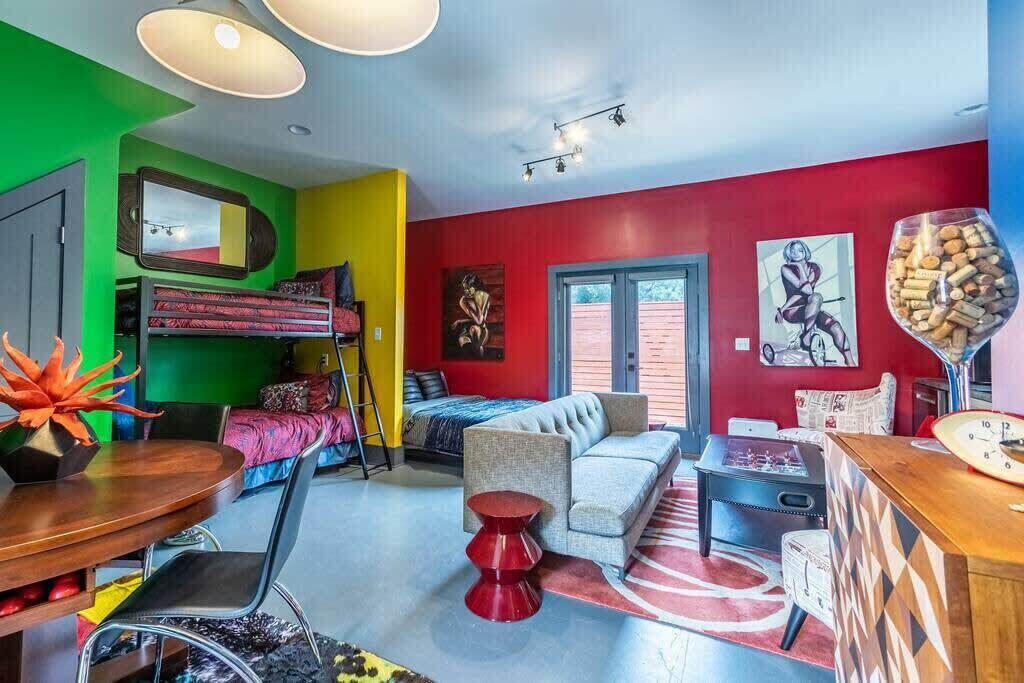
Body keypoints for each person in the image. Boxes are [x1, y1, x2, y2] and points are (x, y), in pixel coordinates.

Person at [774, 239, 855, 366]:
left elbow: (807, 291)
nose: (796, 254)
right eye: (793, 251)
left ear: (805, 251)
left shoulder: (816, 268)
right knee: (816, 297)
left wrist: (800, 267)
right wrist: (783, 309)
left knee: (835, 327)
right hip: (792, 310)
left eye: (800, 250)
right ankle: (806, 337)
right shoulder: (786, 269)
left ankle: (850, 362)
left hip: (811, 307)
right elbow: (805, 291)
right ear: (789, 254)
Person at [451, 273, 490, 357]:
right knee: (463, 341)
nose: (466, 291)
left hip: (481, 329)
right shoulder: (463, 300)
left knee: (474, 329)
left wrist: (475, 300)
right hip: (468, 328)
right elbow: (476, 319)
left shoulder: (485, 296)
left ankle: (478, 351)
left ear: (475, 287)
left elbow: (480, 321)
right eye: (465, 288)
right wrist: (461, 321)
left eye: (468, 288)